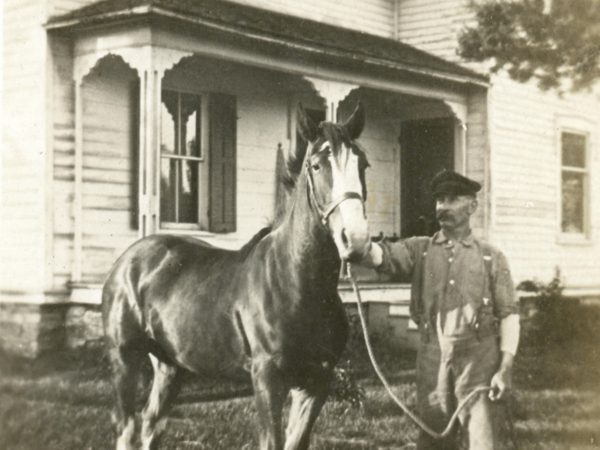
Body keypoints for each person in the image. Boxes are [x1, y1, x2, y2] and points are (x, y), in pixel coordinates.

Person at [360, 170, 520, 450]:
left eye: (451, 199)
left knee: (483, 442)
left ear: (472, 206)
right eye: (439, 200)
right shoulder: (419, 249)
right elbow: (382, 256)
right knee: (433, 440)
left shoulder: (491, 257)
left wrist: (505, 368)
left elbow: (509, 314)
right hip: (432, 363)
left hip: (479, 366)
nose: (442, 207)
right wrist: (356, 245)